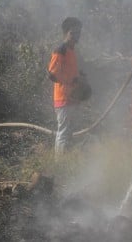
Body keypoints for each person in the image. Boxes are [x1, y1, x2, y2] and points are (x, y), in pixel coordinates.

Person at [47, 17, 85, 158]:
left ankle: (65, 161)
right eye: (73, 32)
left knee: (68, 131)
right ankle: (60, 164)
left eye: (78, 32)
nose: (76, 36)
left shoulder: (71, 51)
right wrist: (72, 80)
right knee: (63, 132)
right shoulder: (61, 50)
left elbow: (69, 72)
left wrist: (79, 78)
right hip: (63, 98)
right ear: (66, 33)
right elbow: (52, 74)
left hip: (71, 97)